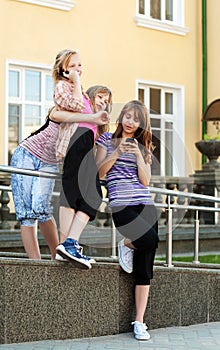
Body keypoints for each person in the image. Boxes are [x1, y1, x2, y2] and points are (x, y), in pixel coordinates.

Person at [10, 87, 111, 260]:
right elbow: (55, 114)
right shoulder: (74, 107)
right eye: (100, 97)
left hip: (49, 162)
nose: (103, 102)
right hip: (27, 153)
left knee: (42, 210)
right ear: (89, 97)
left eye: (106, 101)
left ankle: (57, 254)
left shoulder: (92, 130)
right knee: (26, 214)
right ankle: (36, 264)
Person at [96, 100, 159, 341]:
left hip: (145, 204)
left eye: (136, 119)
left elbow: (145, 181)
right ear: (121, 117)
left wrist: (140, 156)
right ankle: (127, 244)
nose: (130, 122)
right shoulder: (105, 141)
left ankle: (139, 322)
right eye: (127, 116)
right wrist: (118, 152)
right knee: (150, 240)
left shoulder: (144, 146)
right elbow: (100, 171)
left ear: (141, 123)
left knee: (145, 267)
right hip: (121, 203)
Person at [51, 49, 112, 269]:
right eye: (74, 65)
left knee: (89, 196)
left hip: (84, 144)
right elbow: (74, 107)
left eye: (80, 65)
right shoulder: (64, 87)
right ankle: (68, 243)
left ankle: (67, 245)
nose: (79, 69)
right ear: (63, 69)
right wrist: (75, 81)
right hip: (75, 142)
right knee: (77, 195)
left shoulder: (84, 95)